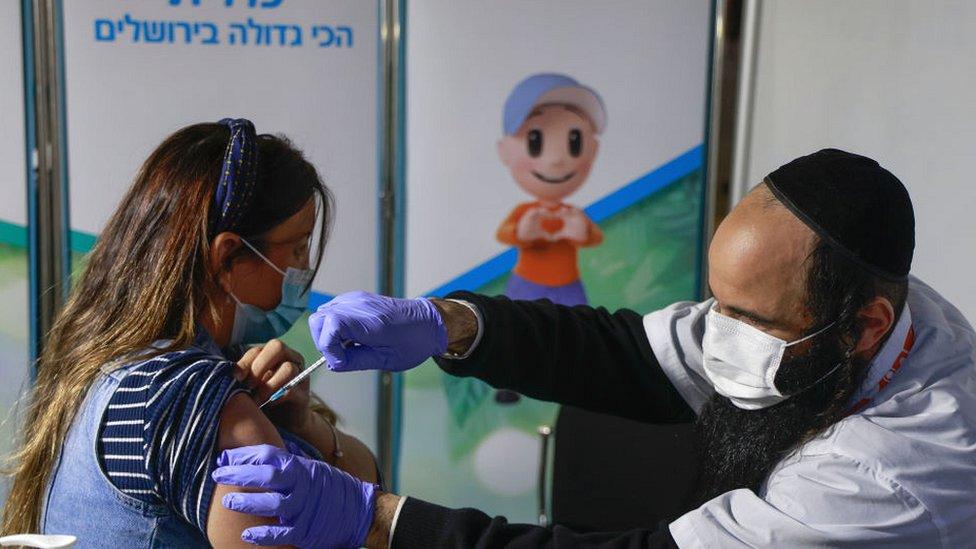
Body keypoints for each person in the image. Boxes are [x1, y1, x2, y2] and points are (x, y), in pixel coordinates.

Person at [213, 149, 976, 547]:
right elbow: (631, 354)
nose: (719, 332)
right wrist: (447, 323)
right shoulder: (851, 316)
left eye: (751, 317)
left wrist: (379, 519)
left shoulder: (897, 475)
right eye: (718, 301)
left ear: (865, 324)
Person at [1, 119, 377, 548]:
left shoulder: (110, 365)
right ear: (229, 253)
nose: (304, 267)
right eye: (296, 247)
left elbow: (368, 491)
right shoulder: (196, 400)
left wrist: (303, 423)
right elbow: (374, 509)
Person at [496, 73, 606, 306]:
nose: (556, 160)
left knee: (575, 331)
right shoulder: (526, 211)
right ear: (504, 150)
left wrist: (581, 232)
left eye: (574, 141)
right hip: (527, 284)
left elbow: (595, 236)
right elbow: (504, 233)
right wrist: (523, 233)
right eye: (535, 140)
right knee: (520, 331)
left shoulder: (572, 214)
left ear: (593, 149)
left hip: (569, 286)